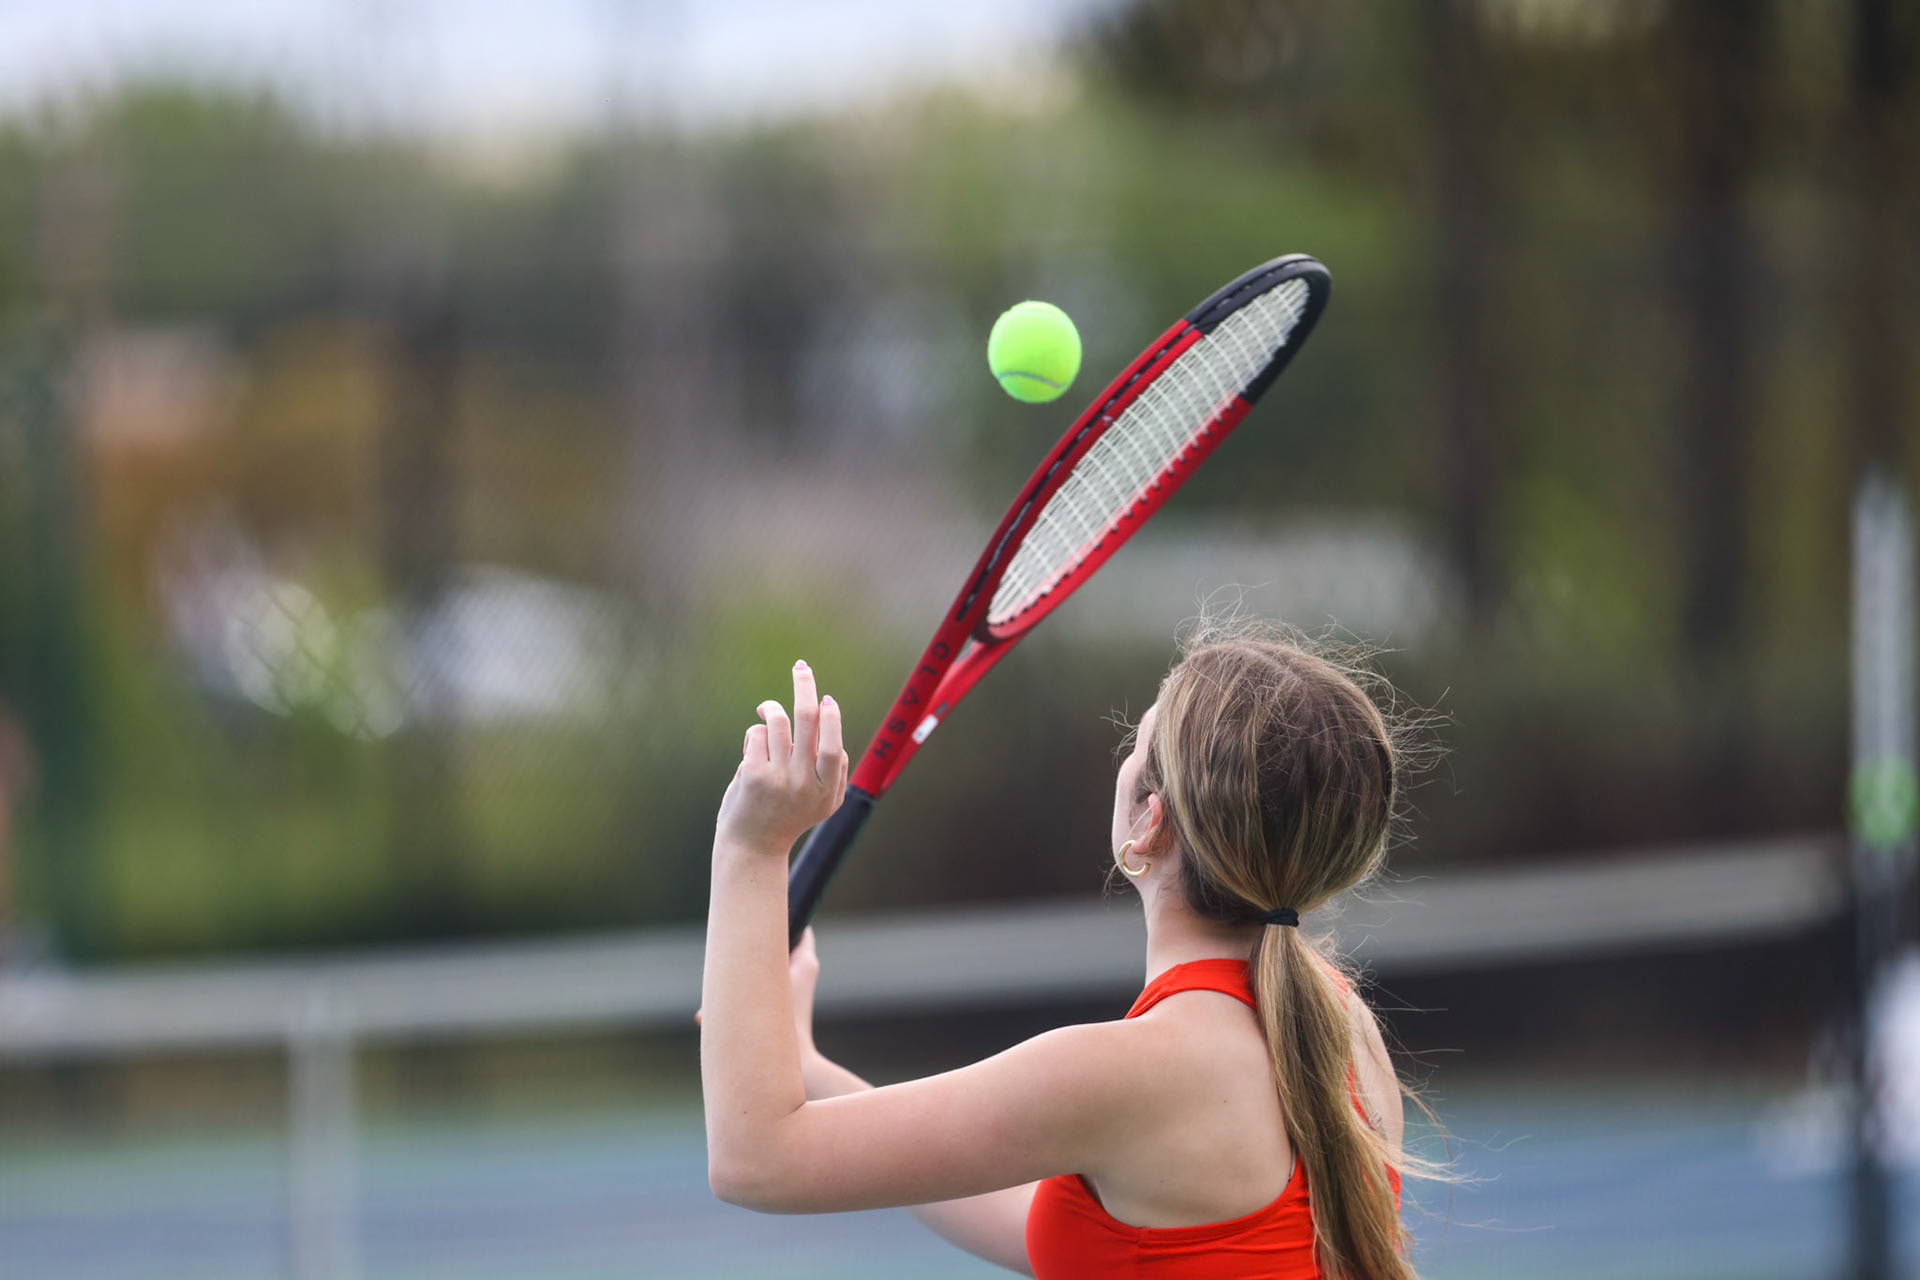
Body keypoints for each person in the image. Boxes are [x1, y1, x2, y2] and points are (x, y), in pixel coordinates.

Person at [701, 629, 1424, 1279]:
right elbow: (1064, 1239)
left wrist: (753, 846)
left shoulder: (1129, 1072)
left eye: (1134, 749)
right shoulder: (1340, 1027)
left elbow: (756, 1160)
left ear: (1148, 821)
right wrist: (809, 1067)